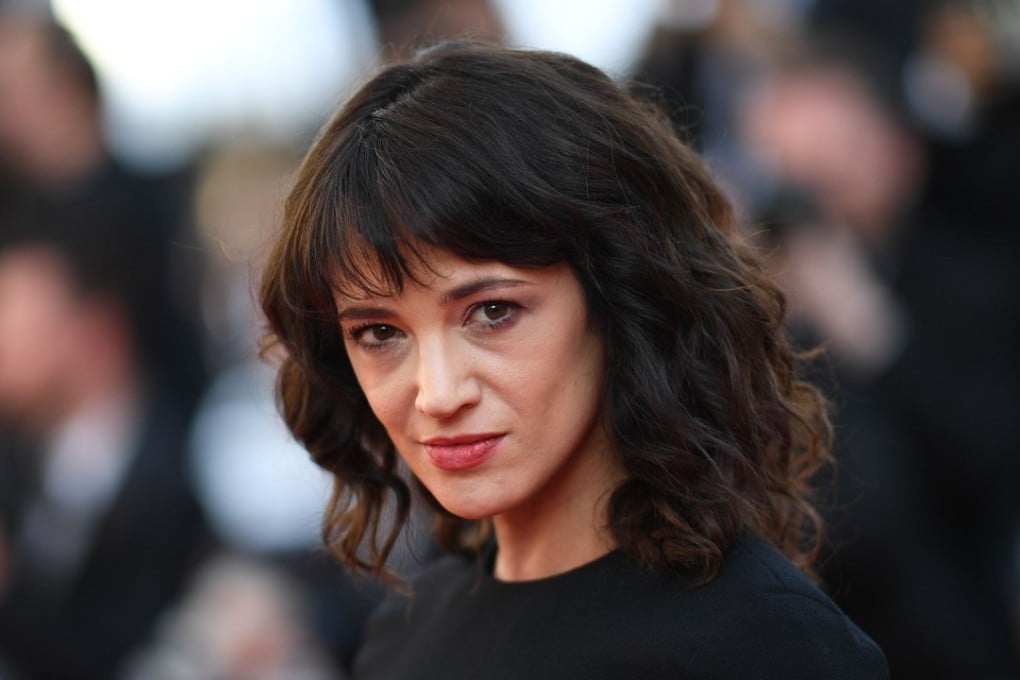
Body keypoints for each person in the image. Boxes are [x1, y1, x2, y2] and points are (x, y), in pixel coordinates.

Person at [258, 41, 888, 678]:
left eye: (492, 312)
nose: (438, 393)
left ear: (621, 298)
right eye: (378, 333)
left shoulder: (760, 643)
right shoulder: (402, 636)